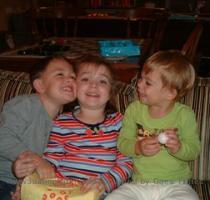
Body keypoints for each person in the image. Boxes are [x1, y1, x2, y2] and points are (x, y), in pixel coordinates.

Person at [105, 50, 200, 200]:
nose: (139, 84)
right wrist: (138, 147)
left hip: (176, 185)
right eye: (141, 78)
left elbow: (194, 151)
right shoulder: (134, 110)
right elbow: (122, 144)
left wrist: (179, 148)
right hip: (139, 184)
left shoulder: (184, 114)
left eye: (147, 82)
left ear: (170, 93)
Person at [40, 55, 133, 199]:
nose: (93, 85)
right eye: (85, 79)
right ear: (74, 86)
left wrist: (104, 182)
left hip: (102, 192)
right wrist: (35, 177)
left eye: (102, 81)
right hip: (65, 191)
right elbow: (51, 158)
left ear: (110, 92)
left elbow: (127, 162)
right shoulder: (61, 122)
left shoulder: (119, 123)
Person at [0, 55, 77, 200]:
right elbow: (3, 137)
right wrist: (34, 159)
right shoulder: (25, 104)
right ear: (40, 85)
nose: (70, 79)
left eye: (73, 76)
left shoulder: (67, 121)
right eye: (60, 74)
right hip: (4, 180)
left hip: (32, 185)